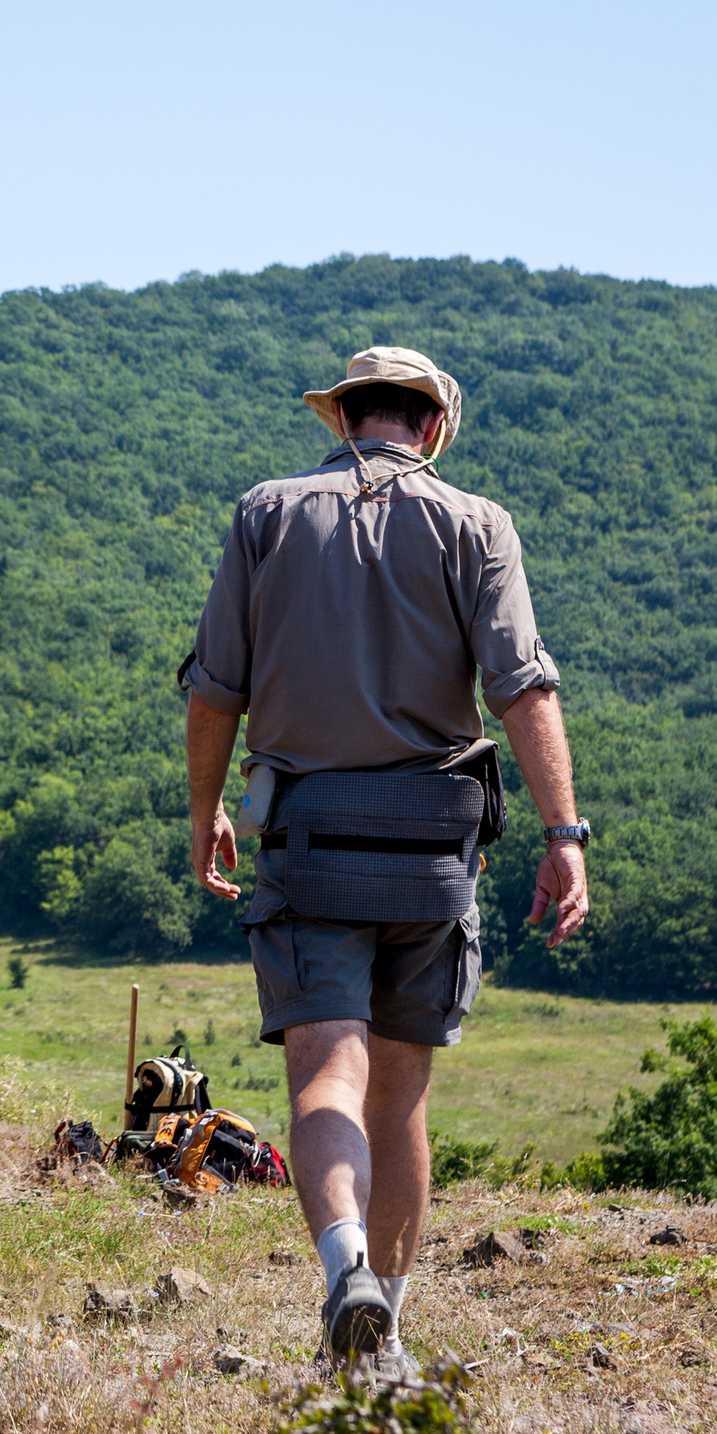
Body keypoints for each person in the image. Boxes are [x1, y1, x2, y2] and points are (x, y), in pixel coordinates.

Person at [183, 345, 591, 1372]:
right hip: (432, 854)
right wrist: (563, 836)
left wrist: (205, 812)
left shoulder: (265, 514)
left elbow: (214, 690)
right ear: (433, 429)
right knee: (399, 1094)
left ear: (343, 419)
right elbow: (523, 690)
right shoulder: (477, 524)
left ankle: (345, 1272)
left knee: (324, 1078)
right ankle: (385, 1336)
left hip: (308, 843)